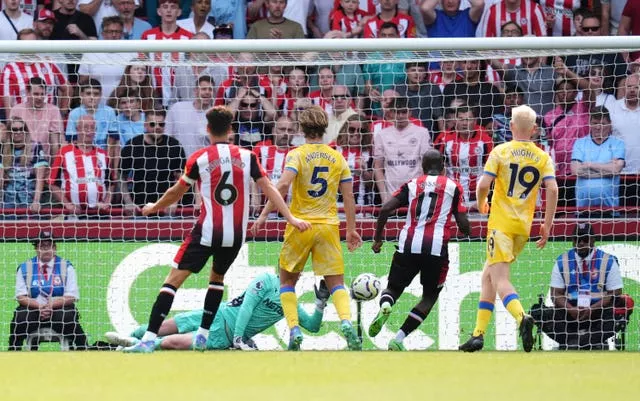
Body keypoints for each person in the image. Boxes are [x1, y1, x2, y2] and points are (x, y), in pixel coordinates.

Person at [123, 106, 310, 353]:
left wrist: (153, 207)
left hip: (208, 230)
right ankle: (202, 335)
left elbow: (176, 192)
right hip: (235, 235)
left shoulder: (199, 158)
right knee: (217, 279)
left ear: (207, 129)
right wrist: (291, 218)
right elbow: (269, 189)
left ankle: (147, 340)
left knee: (172, 281)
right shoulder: (248, 156)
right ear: (231, 130)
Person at [251, 106, 363, 351]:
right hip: (328, 227)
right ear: (325, 128)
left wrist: (262, 215)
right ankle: (346, 322)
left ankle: (294, 330)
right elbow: (349, 197)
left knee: (287, 282)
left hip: (300, 226)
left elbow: (280, 186)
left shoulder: (297, 155)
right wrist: (352, 229)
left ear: (301, 129)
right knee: (336, 284)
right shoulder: (338, 157)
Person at [459, 104, 559, 353]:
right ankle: (478, 335)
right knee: (488, 277)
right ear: (535, 129)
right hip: (522, 229)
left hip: (500, 225)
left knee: (500, 279)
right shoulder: (543, 156)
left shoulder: (500, 151)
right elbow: (553, 189)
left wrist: (482, 203)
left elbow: (483, 185)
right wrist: (546, 226)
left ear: (511, 126)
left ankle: (522, 318)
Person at [369, 150, 471, 350]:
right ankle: (398, 338)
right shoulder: (453, 187)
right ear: (443, 167)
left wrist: (378, 239)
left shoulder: (413, 184)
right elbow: (464, 226)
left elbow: (385, 209)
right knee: (429, 296)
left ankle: (386, 305)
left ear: (422, 167)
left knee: (394, 288)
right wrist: (464, 227)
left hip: (408, 244)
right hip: (436, 249)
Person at [107, 272, 329, 351]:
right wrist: (240, 338)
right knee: (166, 325)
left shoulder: (291, 302)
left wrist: (320, 305)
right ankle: (129, 336)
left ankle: (138, 346)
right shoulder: (266, 280)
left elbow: (311, 326)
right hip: (219, 313)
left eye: (298, 271)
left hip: (223, 333)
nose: (296, 274)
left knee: (175, 342)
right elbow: (247, 307)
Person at [530, 223, 633, 350]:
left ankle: (574, 342)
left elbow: (615, 293)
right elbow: (555, 295)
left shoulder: (608, 260)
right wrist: (571, 309)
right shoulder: (562, 261)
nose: (581, 243)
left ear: (593, 240)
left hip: (598, 314)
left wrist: (592, 309)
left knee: (622, 310)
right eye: (577, 239)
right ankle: (585, 341)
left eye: (585, 239)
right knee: (537, 312)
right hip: (570, 315)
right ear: (573, 241)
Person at [9, 231, 89, 351]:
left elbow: (71, 296)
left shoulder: (66, 267)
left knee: (67, 317)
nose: (46, 250)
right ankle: (13, 351)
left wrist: (51, 306)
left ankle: (82, 348)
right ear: (36, 249)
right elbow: (21, 297)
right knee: (20, 318)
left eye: (49, 246)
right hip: (34, 309)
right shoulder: (25, 267)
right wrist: (40, 307)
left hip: (58, 308)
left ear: (55, 248)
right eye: (42, 246)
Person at [571, 106, 625, 212]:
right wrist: (607, 169)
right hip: (583, 208)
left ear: (609, 124)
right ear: (590, 123)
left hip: (610, 209)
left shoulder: (618, 143)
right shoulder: (580, 143)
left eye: (602, 124)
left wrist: (589, 165)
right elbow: (575, 170)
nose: (598, 127)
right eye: (595, 123)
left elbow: (616, 169)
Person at [0, 118, 48, 216]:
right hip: (8, 202)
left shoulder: (35, 146)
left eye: (21, 129)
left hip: (28, 200)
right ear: (9, 132)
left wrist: (36, 201)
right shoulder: (3, 149)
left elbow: (40, 178)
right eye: (14, 129)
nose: (18, 132)